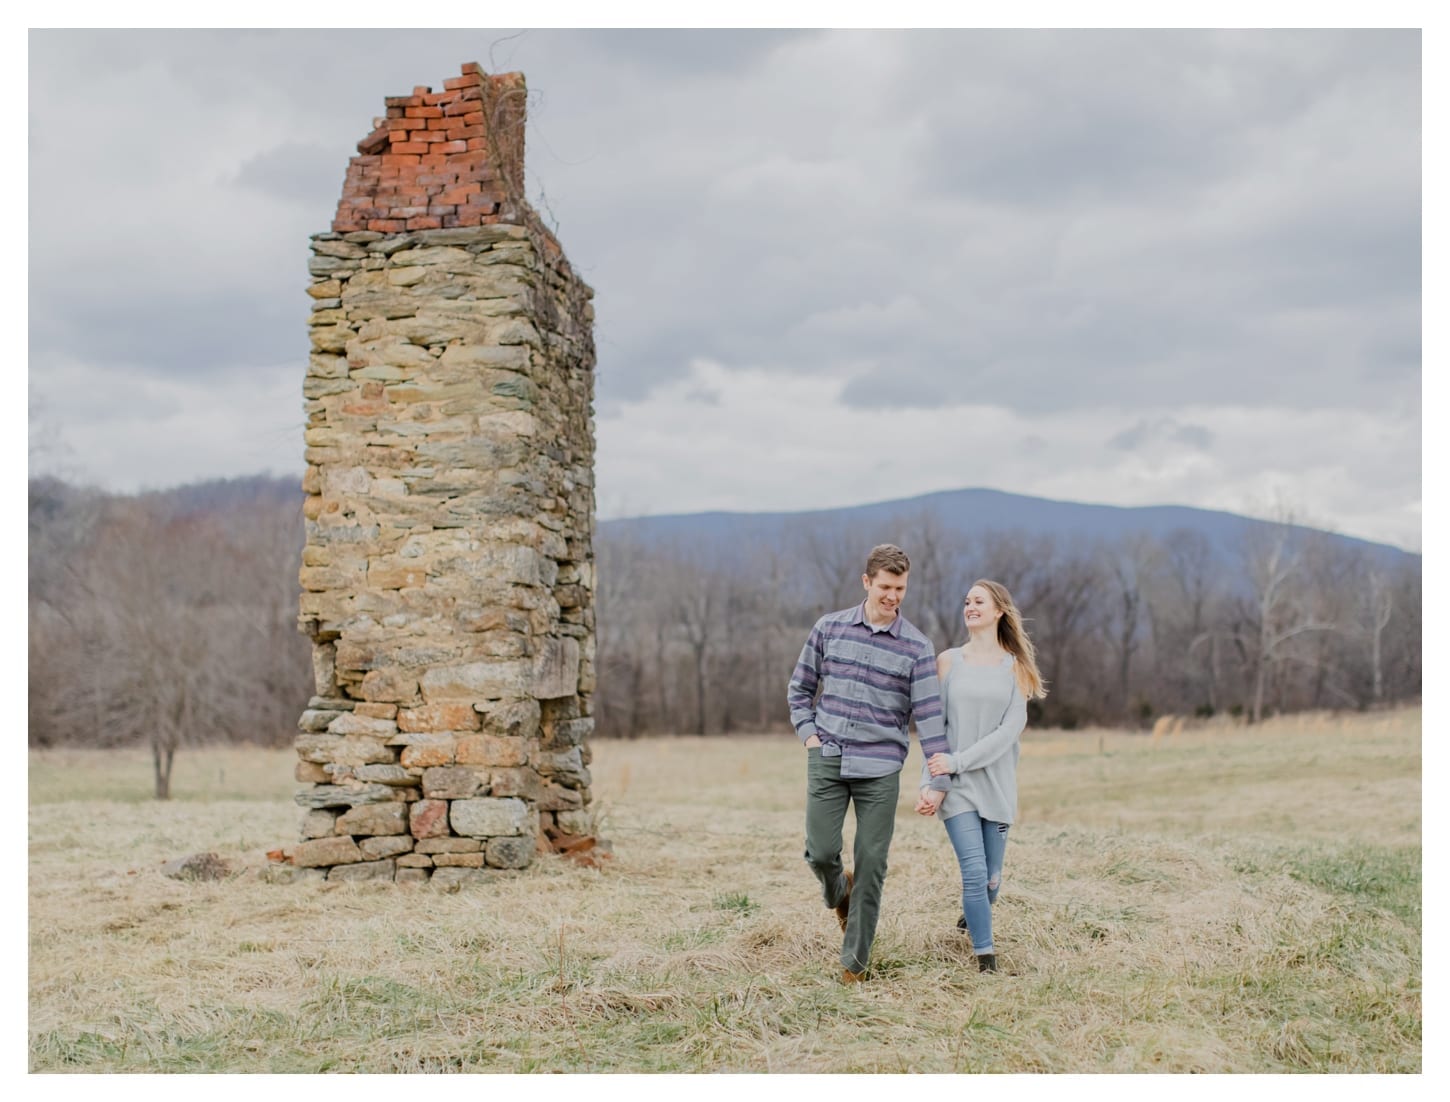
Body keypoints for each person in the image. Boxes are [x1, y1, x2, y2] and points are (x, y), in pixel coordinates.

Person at [788, 543, 952, 984]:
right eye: (884, 586)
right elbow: (800, 689)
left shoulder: (916, 647)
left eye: (900, 588)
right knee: (821, 853)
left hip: (880, 768)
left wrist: (939, 779)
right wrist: (810, 736)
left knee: (872, 862)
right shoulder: (830, 628)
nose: (892, 596)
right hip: (829, 758)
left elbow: (930, 718)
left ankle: (854, 965)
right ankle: (839, 893)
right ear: (866, 582)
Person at [914, 579, 1047, 974]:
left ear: (998, 611)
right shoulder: (948, 661)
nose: (970, 606)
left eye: (978, 601)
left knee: (991, 881)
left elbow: (1008, 733)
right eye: (966, 600)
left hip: (997, 785)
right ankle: (985, 959)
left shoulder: (1017, 668)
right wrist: (932, 782)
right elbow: (934, 727)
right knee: (973, 874)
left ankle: (970, 918)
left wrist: (958, 761)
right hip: (956, 789)